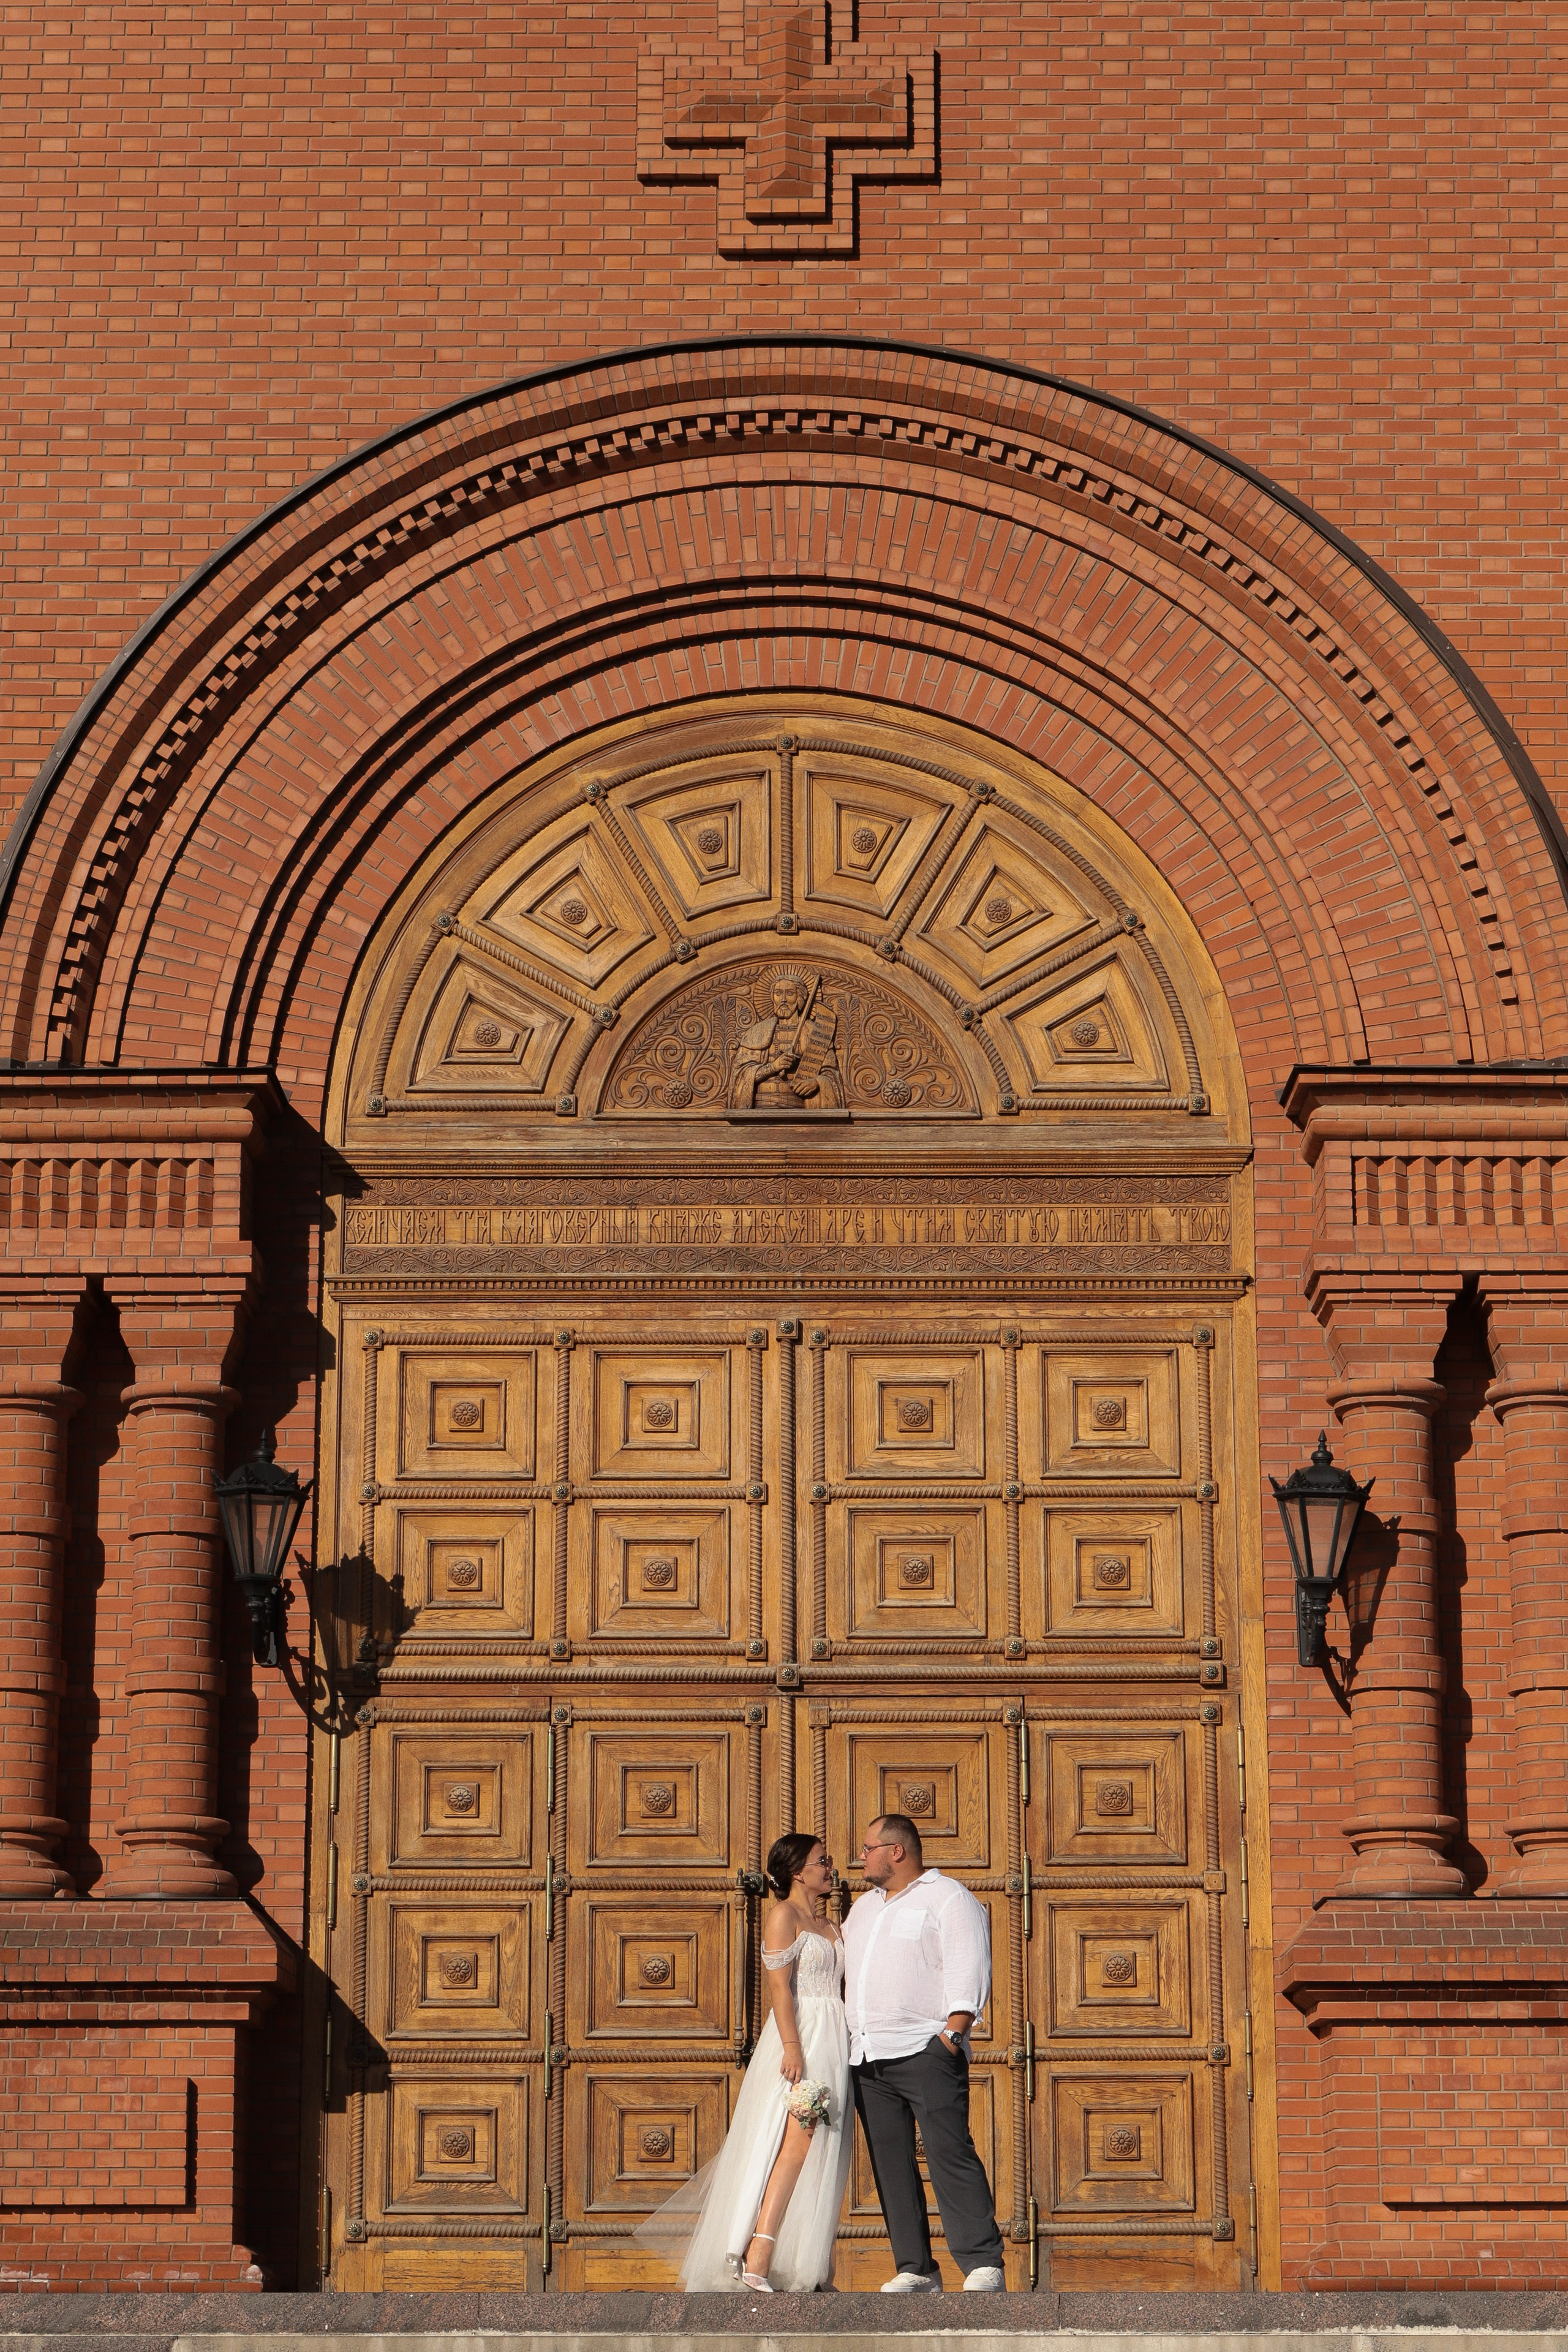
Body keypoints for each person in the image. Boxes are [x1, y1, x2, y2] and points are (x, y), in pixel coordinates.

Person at [634, 1831, 852, 2291]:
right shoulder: (783, 1916)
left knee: (824, 2148)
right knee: (794, 2143)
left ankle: (812, 2266)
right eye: (821, 1860)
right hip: (802, 2036)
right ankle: (758, 2255)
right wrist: (792, 2047)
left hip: (836, 2037)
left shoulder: (833, 1926)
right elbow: (778, 1988)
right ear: (798, 1871)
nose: (829, 1867)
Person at [843, 1811, 1008, 2293]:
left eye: (868, 1847)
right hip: (868, 2057)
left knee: (948, 2152)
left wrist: (952, 2035)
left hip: (926, 2049)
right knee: (890, 2163)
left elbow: (969, 1963)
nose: (862, 1857)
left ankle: (983, 2263)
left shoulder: (948, 1897)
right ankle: (916, 2268)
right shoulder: (864, 1908)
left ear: (896, 1851)